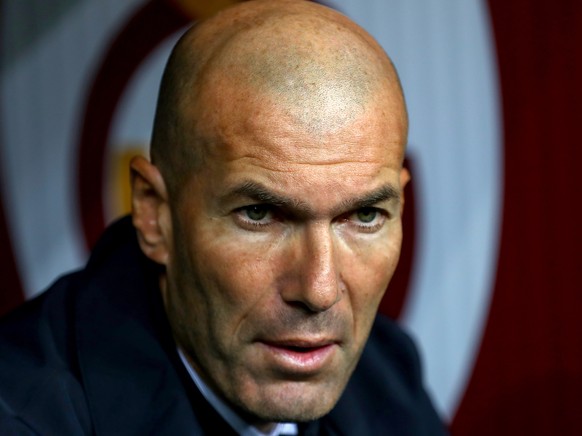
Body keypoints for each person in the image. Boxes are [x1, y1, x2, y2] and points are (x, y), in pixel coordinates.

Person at [0, 0, 447, 434]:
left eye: (365, 215)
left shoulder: (387, 376)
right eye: (259, 214)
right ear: (155, 213)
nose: (319, 290)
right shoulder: (23, 412)